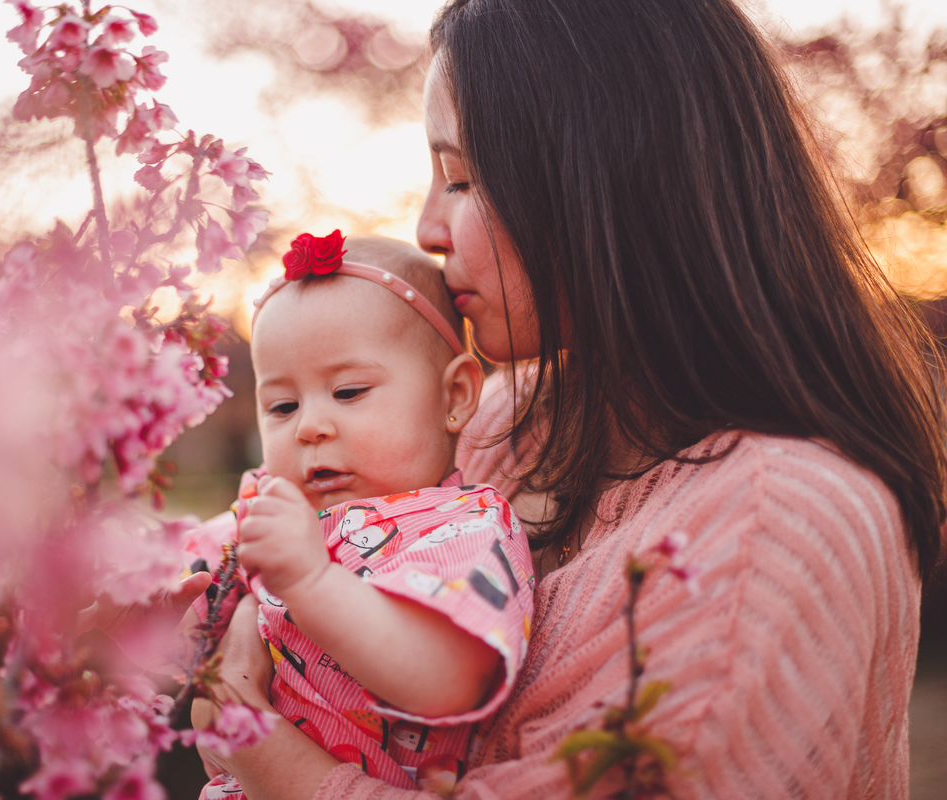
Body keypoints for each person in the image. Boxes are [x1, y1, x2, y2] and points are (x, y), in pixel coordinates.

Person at [189, 0, 947, 798]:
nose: (427, 226)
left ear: (606, 179)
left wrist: (258, 746)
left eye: (462, 178)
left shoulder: (773, 523)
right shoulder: (503, 422)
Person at [183, 233, 536, 797]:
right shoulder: (274, 506)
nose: (309, 426)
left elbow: (446, 680)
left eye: (348, 392)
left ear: (455, 397)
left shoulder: (460, 528)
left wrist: (310, 581)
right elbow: (192, 580)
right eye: (282, 406)